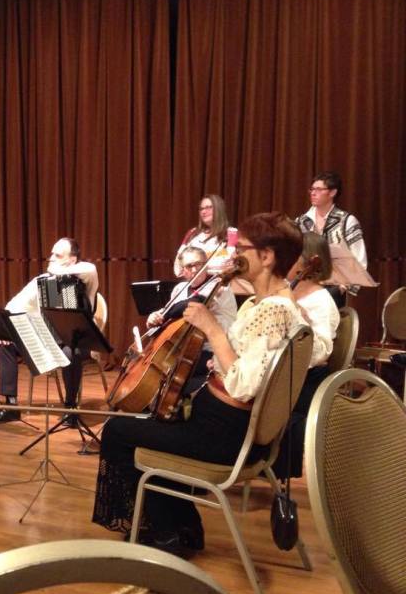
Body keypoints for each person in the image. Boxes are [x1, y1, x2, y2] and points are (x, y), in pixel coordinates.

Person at [92, 212, 306, 556]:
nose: (234, 255)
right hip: (225, 424)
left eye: (242, 248)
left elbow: (243, 386)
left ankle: (166, 534)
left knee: (118, 432)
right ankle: (185, 527)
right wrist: (217, 359)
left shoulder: (273, 310)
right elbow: (248, 364)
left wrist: (211, 328)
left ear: (266, 257)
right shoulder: (265, 303)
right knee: (153, 421)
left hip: (224, 435)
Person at [0, 238, 99, 424]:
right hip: (48, 340)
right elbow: (13, 306)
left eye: (58, 255)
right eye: (51, 254)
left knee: (70, 352)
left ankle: (71, 408)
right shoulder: (41, 281)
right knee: (6, 344)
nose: (51, 258)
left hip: (76, 340)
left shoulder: (86, 277)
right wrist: (8, 331)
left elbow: (90, 268)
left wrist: (57, 271)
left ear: (73, 260)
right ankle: (11, 406)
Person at [273, 233, 339, 479]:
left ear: (307, 261)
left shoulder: (322, 301)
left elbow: (320, 353)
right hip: (280, 371)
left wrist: (301, 318)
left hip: (302, 379)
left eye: (291, 254)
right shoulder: (287, 290)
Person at [146, 246, 237, 396]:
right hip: (183, 348)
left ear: (206, 265)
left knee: (168, 374)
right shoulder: (180, 289)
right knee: (156, 370)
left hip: (210, 351)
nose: (195, 270)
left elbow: (192, 304)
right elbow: (170, 313)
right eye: (189, 266)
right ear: (183, 270)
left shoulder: (219, 288)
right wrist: (155, 317)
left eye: (198, 264)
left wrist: (166, 314)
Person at [295, 171, 367, 303]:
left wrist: (342, 287)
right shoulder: (301, 221)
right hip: (304, 286)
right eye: (312, 189)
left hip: (334, 288)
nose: (313, 193)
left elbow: (359, 259)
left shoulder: (347, 221)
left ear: (332, 192)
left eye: (318, 189)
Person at [173, 194, 232, 276]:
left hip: (218, 281)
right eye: (201, 209)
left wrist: (197, 267)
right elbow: (178, 267)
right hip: (192, 281)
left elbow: (228, 265)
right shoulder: (192, 233)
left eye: (208, 207)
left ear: (219, 209)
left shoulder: (231, 233)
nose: (203, 212)